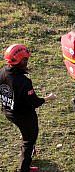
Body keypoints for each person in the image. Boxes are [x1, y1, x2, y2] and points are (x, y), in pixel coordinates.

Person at [0, 44, 56, 172]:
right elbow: (34, 102)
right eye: (26, 59)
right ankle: (24, 168)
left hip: (8, 111)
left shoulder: (2, 71)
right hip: (24, 115)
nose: (27, 62)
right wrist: (48, 98)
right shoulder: (23, 81)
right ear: (22, 61)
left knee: (26, 133)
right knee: (29, 140)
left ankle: (30, 151)